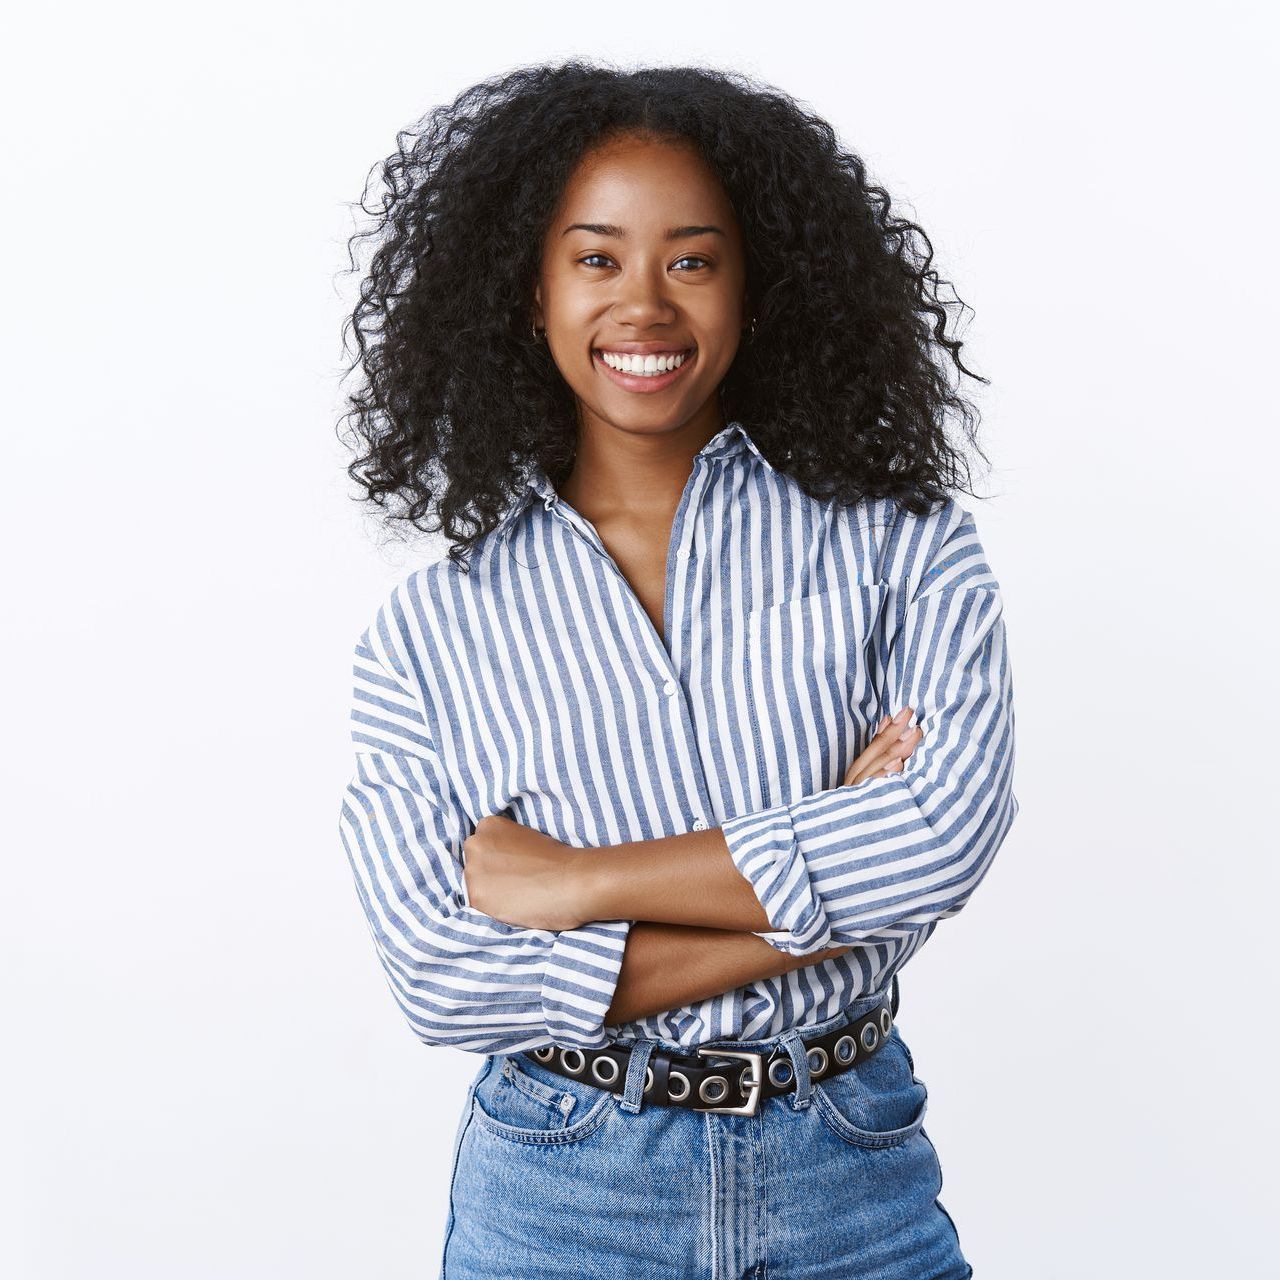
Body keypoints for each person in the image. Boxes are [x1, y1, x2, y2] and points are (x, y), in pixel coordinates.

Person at [336, 59, 1018, 1280]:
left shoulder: (896, 538)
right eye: (595, 258)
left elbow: (946, 831)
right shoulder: (425, 636)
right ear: (525, 290)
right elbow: (442, 978)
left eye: (689, 259)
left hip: (847, 1169)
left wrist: (574, 883)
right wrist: (827, 903)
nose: (643, 304)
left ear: (757, 287)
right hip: (562, 1186)